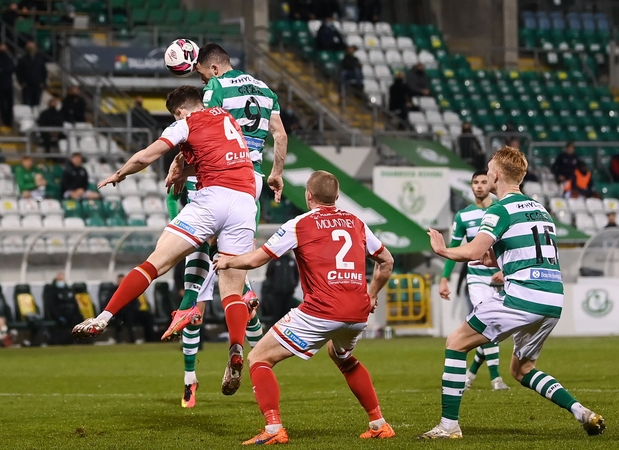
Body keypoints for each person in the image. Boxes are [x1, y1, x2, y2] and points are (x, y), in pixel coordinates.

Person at [73, 86, 260, 399]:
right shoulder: (227, 117)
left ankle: (103, 318)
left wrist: (120, 174)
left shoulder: (185, 123)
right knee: (232, 290)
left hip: (212, 199)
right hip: (244, 201)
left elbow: (146, 156)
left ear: (180, 111)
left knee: (155, 263)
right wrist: (185, 170)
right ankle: (236, 349)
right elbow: (220, 159)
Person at [422, 146, 605, 438]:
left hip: (524, 296)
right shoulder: (541, 209)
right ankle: (582, 412)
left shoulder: (499, 209)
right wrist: (499, 261)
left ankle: (448, 426)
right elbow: (536, 253)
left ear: (496, 175)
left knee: (456, 342)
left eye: (489, 170)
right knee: (522, 369)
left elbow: (473, 250)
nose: (487, 175)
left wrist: (443, 250)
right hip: (553, 299)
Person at [214, 170, 396, 445]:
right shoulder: (356, 222)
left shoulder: (300, 224)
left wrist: (228, 261)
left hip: (321, 310)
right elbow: (387, 261)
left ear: (308, 196)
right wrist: (371, 295)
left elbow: (256, 260)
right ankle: (379, 423)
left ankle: (274, 428)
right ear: (336, 196)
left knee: (259, 357)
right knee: (342, 356)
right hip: (358, 311)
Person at [162, 43, 288, 408]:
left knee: (195, 276)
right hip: (252, 183)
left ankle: (190, 371)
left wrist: (180, 164)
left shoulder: (216, 89)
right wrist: (276, 173)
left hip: (219, 177)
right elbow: (280, 136)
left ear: (214, 69)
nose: (202, 81)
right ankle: (251, 350)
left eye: (202, 75)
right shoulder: (266, 90)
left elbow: (205, 129)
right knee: (234, 274)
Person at [439, 170, 509, 391]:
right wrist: (444, 278)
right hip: (477, 278)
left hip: (502, 278)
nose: (479, 186)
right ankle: (496, 379)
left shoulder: (503, 210)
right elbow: (454, 248)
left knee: (495, 329)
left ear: (491, 183)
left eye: (483, 181)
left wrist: (505, 271)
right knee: (488, 322)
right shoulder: (463, 216)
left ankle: (470, 374)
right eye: (475, 182)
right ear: (471, 186)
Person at [261, 252, 299, 328]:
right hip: (276, 294)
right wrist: (273, 286)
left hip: (289, 294)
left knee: (287, 314)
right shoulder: (274, 261)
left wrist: (293, 285)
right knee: (276, 313)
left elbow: (296, 275)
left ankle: (287, 330)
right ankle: (275, 330)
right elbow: (269, 275)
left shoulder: (292, 261)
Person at [44, 273, 83, 344]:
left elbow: (74, 304)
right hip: (59, 314)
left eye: (62, 279)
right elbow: (51, 306)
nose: (61, 281)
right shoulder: (51, 291)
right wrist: (58, 316)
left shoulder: (69, 290)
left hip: (71, 313)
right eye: (59, 279)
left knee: (79, 320)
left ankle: (80, 340)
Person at [16, 42, 47, 107]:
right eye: (29, 47)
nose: (31, 49)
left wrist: (43, 82)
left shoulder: (40, 59)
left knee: (37, 104)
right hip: (27, 86)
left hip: (37, 85)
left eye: (32, 47)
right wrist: (21, 82)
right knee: (27, 104)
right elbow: (19, 72)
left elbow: (44, 72)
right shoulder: (22, 60)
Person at [0, 44, 15, 126]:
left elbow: (12, 69)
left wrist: (3, 70)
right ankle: (3, 120)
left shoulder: (9, 60)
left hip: (8, 85)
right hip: (0, 85)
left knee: (9, 104)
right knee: (2, 104)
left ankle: (9, 121)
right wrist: (4, 70)